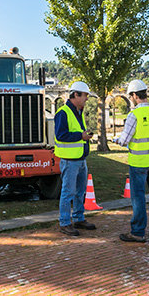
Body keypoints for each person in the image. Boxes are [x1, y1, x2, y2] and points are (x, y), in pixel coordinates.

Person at [114, 79, 149, 243]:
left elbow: (124, 140)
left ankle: (137, 232)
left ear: (135, 95)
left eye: (131, 96)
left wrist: (115, 140)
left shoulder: (134, 115)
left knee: (138, 197)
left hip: (138, 162)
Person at [54, 80, 97, 236]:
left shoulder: (78, 111)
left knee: (80, 192)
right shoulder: (63, 113)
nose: (87, 98)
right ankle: (65, 222)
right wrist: (81, 136)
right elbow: (60, 136)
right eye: (85, 95)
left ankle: (78, 218)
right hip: (70, 161)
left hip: (80, 159)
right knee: (68, 192)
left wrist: (84, 136)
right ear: (76, 94)